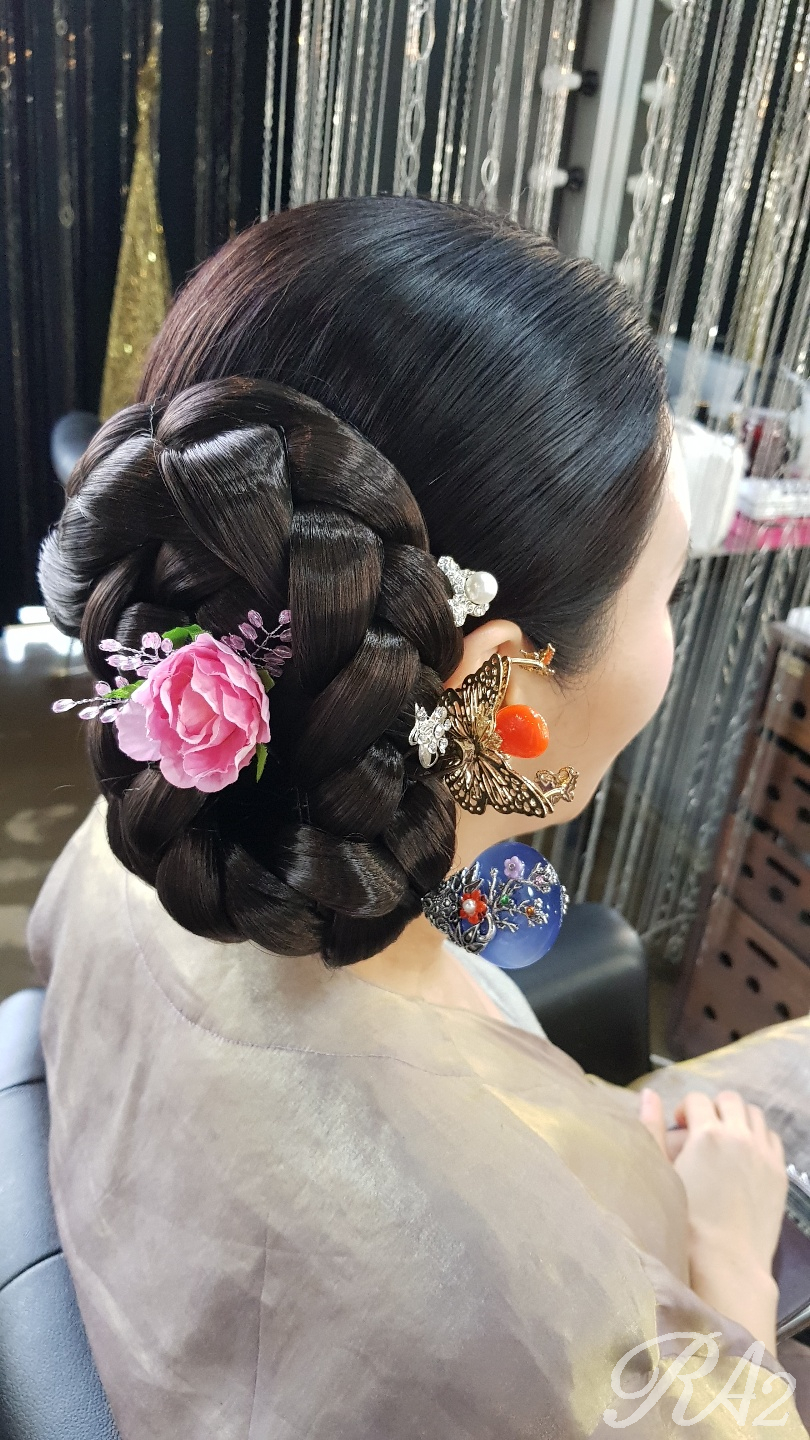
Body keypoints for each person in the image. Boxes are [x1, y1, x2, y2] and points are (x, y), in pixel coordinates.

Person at [29, 194, 810, 1437]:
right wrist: (730, 1263)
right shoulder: (518, 1292)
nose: (668, 636)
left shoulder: (154, 829)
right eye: (667, 591)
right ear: (505, 700)